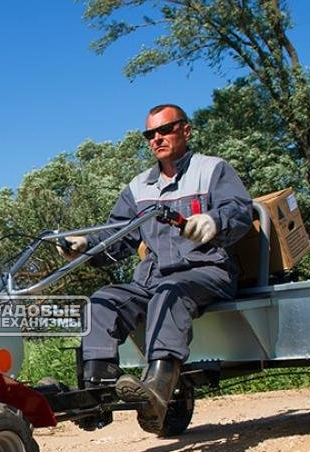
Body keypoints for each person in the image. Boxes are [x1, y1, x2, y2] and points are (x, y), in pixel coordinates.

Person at [60, 104, 253, 433]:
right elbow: (116, 237)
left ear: (186, 130)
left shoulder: (212, 170)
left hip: (206, 270)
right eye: (150, 134)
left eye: (165, 130)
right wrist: (85, 246)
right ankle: (97, 393)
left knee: (169, 293)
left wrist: (213, 221)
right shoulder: (139, 188)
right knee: (102, 302)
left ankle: (157, 394)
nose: (157, 138)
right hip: (153, 277)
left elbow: (240, 210)